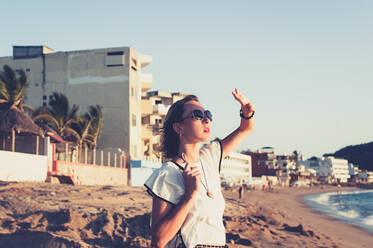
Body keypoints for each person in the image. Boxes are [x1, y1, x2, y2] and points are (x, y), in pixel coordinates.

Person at [144, 88, 255, 248]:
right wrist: (190, 194)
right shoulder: (168, 172)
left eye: (208, 115)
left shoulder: (211, 156)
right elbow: (159, 240)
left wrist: (247, 113)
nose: (206, 120)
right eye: (198, 115)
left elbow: (246, 129)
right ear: (178, 128)